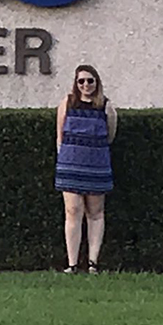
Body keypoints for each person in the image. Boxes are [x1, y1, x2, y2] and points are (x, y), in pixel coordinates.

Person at [54, 64, 117, 273]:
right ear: (76, 83)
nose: (86, 85)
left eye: (90, 80)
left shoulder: (106, 106)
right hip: (70, 164)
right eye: (81, 81)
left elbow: (110, 135)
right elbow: (59, 134)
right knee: (72, 211)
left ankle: (92, 262)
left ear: (96, 82)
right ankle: (72, 263)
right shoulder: (68, 102)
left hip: (96, 165)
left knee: (95, 212)